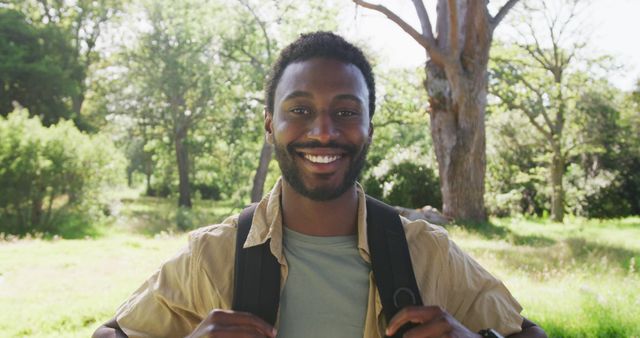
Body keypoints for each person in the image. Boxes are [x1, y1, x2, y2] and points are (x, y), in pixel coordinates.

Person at [93, 31, 547, 338]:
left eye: (347, 111)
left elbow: (526, 332)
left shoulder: (427, 253)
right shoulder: (212, 256)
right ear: (270, 125)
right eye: (301, 110)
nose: (325, 132)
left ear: (369, 127)